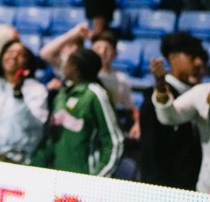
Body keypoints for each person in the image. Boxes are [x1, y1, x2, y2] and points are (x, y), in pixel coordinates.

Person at [31, 48, 124, 176]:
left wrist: (98, 177)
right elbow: (51, 139)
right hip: (56, 175)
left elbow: (114, 141)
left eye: (67, 62)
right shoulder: (62, 94)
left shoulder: (95, 94)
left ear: (75, 67)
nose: (64, 65)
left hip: (84, 177)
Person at [139, 32, 205, 191]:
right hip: (166, 191)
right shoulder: (153, 98)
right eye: (191, 56)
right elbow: (151, 150)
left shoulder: (199, 94)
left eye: (201, 58)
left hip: (194, 188)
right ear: (172, 58)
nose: (198, 63)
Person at [91, 30, 141, 139]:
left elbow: (131, 108)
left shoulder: (121, 79)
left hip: (107, 128)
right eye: (98, 48)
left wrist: (138, 124)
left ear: (115, 54)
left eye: (107, 49)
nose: (102, 52)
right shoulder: (84, 73)